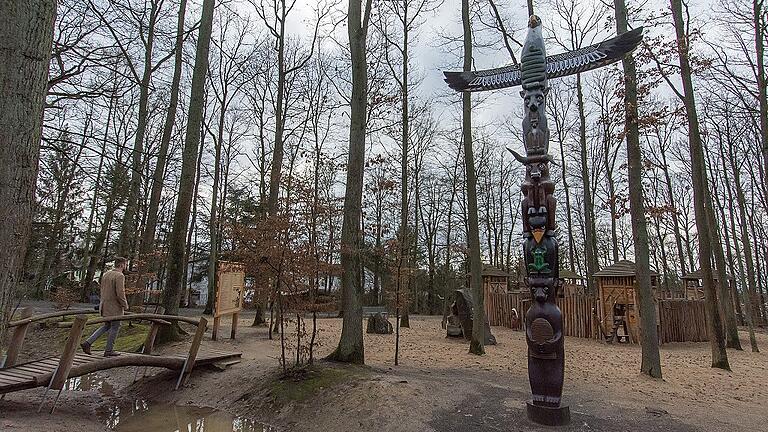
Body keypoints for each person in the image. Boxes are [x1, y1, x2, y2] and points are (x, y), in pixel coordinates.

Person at [81, 257, 129, 357]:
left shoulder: (106, 274)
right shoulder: (120, 276)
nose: (126, 266)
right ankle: (108, 350)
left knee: (107, 326)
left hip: (104, 305)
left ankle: (88, 342)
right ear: (121, 265)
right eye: (125, 264)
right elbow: (120, 293)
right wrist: (125, 304)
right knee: (115, 327)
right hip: (114, 307)